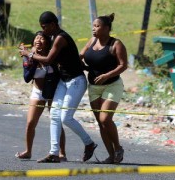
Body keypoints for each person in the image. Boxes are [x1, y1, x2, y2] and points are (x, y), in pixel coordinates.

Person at [19, 11, 97, 163]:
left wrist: (29, 54)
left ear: (53, 25)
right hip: (63, 81)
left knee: (66, 117)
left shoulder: (60, 37)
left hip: (76, 81)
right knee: (55, 115)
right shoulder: (53, 37)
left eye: (44, 27)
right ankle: (54, 153)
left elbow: (48, 60)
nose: (43, 30)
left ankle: (89, 143)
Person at [80, 13, 128, 164]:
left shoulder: (116, 44)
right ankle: (111, 155)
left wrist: (107, 75)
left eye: (97, 26)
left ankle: (118, 148)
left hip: (112, 85)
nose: (94, 29)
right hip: (94, 87)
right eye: (93, 26)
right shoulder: (92, 41)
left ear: (107, 28)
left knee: (105, 118)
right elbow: (80, 55)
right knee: (101, 123)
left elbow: (123, 65)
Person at [16, 31, 66, 161]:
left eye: (42, 38)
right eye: (36, 38)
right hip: (37, 92)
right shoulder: (28, 56)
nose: (39, 40)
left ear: (47, 42)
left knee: (56, 121)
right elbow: (27, 78)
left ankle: (62, 152)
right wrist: (32, 58)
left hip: (53, 92)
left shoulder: (52, 55)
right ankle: (28, 151)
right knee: (30, 123)